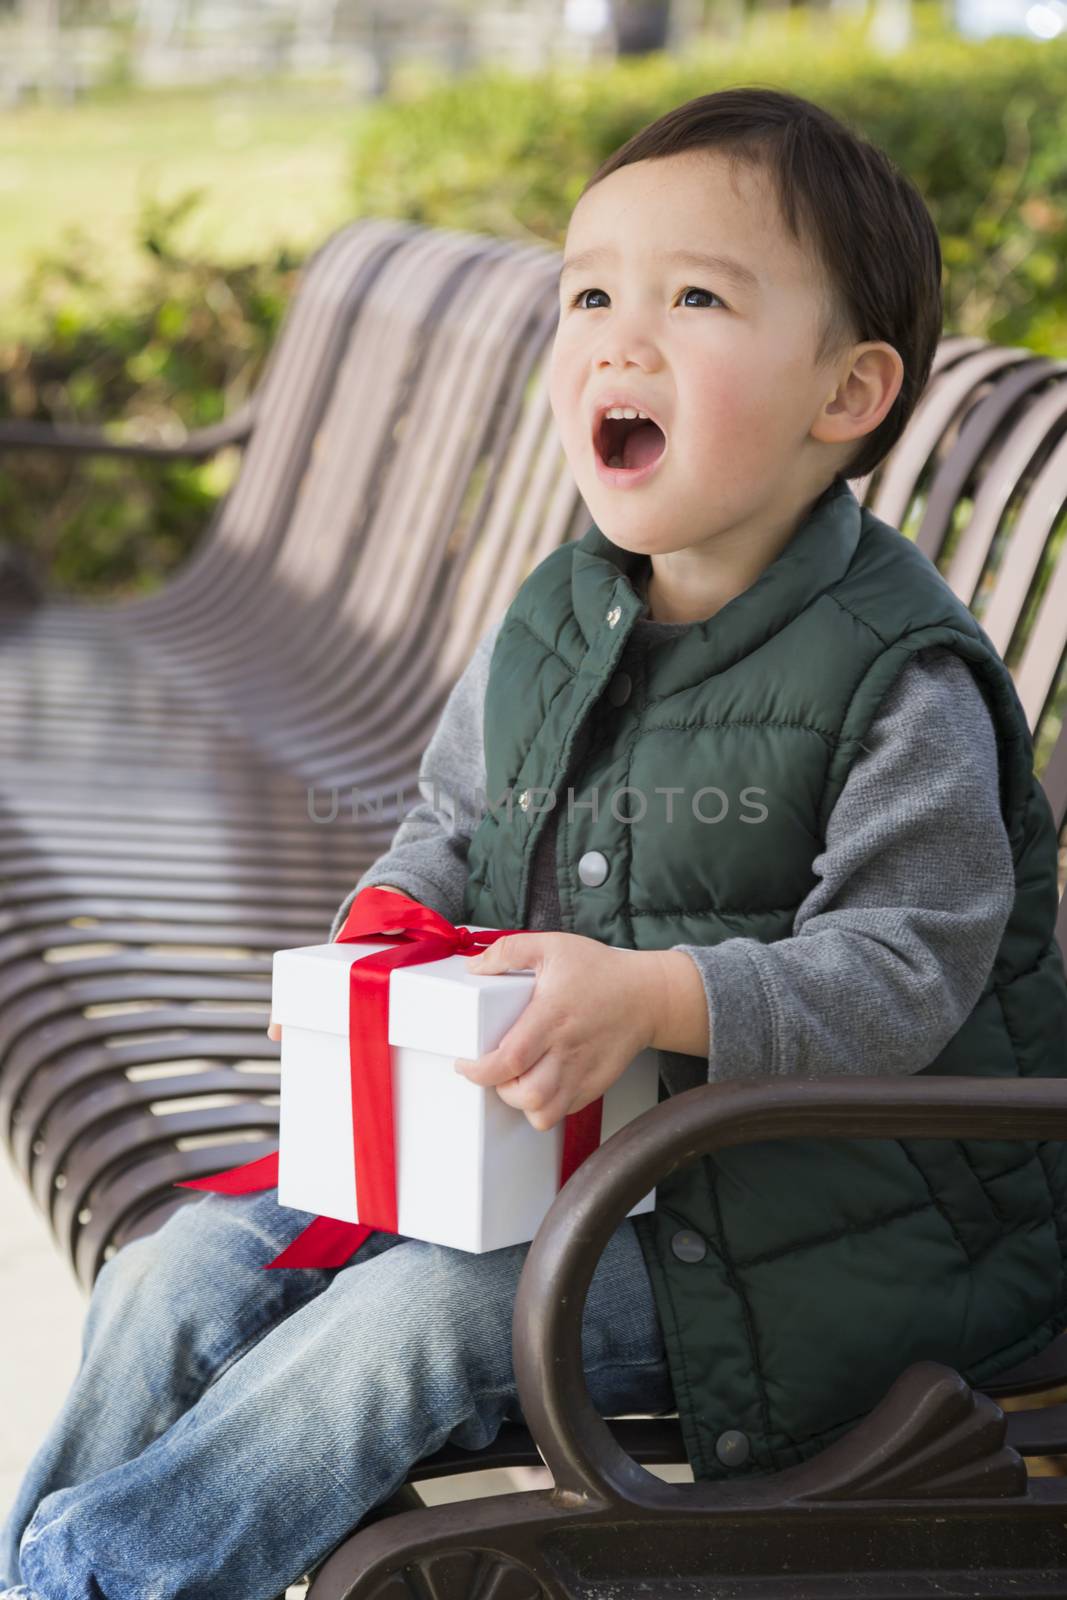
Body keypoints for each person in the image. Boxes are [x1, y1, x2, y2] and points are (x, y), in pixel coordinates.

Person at [3, 84, 1065, 1600]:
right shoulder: (557, 614)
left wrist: (655, 1000)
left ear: (848, 394)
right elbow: (454, 823)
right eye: (589, 294)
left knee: (418, 1319)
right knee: (177, 1267)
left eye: (694, 296)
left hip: (818, 1218)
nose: (620, 339)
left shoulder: (899, 678)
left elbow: (904, 975)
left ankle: (94, 1583)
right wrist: (390, 917)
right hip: (556, 1145)